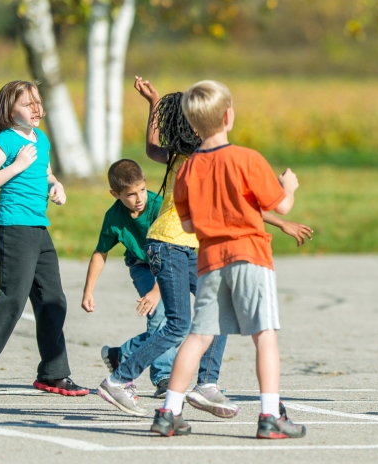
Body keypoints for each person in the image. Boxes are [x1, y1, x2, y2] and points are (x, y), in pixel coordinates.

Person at [99, 78, 311, 418]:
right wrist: (285, 196)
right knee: (179, 325)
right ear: (226, 118)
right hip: (171, 244)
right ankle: (120, 378)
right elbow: (237, 204)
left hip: (187, 245)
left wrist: (154, 104)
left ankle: (206, 384)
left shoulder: (181, 158)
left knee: (217, 317)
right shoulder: (203, 159)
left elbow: (152, 146)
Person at [151, 80, 306, 439]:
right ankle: (270, 415)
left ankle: (168, 411)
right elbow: (281, 206)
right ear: (228, 116)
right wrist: (289, 186)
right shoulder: (248, 158)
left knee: (198, 335)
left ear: (192, 125)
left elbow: (187, 222)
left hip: (209, 259)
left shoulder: (188, 168)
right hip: (250, 255)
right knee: (264, 334)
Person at [0, 80, 88, 399]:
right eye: (28, 104)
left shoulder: (40, 138)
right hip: (12, 228)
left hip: (38, 229)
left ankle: (54, 374)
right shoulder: (5, 142)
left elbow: (46, 172)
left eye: (38, 102)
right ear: (9, 110)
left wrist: (57, 185)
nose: (36, 109)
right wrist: (17, 166)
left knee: (53, 300)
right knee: (12, 300)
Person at [81, 159, 174, 395]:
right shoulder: (113, 217)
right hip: (141, 265)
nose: (139, 198)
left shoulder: (157, 205)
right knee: (158, 315)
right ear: (115, 194)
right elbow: (100, 252)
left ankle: (121, 354)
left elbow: (173, 252)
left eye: (142, 190)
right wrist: (88, 290)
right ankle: (164, 377)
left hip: (171, 260)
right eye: (131, 194)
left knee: (181, 325)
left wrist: (157, 290)